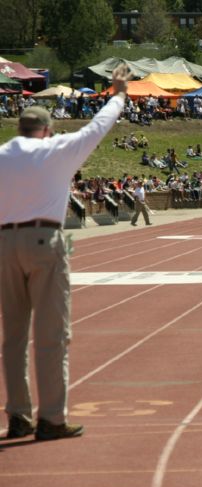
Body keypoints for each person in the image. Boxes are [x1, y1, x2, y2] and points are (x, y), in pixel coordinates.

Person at [0, 64, 131, 441]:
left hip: (5, 244)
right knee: (51, 334)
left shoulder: (4, 154)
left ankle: (18, 415)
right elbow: (97, 127)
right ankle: (52, 417)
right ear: (46, 130)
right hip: (44, 240)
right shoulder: (56, 149)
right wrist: (118, 93)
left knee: (12, 336)